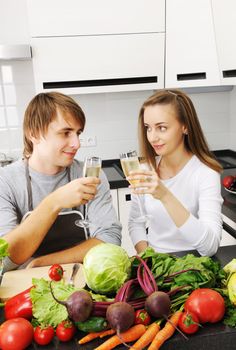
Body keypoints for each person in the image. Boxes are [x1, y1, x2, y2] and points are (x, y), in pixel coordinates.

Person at [0, 92, 121, 272]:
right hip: (24, 287)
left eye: (78, 133)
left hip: (82, 280)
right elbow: (6, 258)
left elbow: (110, 239)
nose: (77, 143)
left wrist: (43, 263)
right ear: (33, 133)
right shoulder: (6, 181)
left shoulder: (89, 175)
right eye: (65, 133)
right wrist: (54, 202)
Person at [127, 89, 223, 257]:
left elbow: (210, 247)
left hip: (193, 268)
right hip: (156, 265)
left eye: (161, 128)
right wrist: (149, 258)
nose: (152, 137)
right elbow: (136, 223)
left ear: (185, 126)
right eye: (148, 128)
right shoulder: (145, 170)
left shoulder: (206, 173)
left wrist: (165, 195)